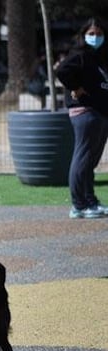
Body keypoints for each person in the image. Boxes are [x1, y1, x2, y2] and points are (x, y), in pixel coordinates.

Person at [55, 17, 108, 219]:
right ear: (84, 35)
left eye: (99, 34)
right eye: (92, 33)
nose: (95, 37)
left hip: (101, 114)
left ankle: (90, 201)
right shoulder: (80, 54)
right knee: (83, 159)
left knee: (90, 162)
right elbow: (62, 71)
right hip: (86, 112)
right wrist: (76, 88)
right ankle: (79, 205)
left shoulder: (99, 58)